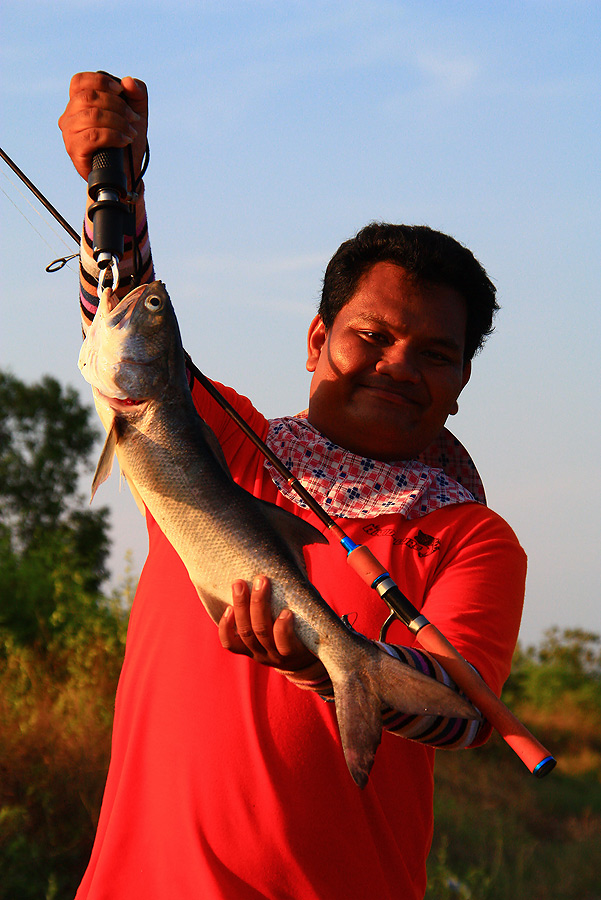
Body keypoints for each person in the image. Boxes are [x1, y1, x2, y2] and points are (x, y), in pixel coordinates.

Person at [59, 73, 526, 900]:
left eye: (434, 354)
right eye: (371, 335)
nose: (397, 367)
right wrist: (111, 178)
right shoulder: (226, 440)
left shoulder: (470, 537)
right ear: (317, 339)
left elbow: (459, 710)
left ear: (459, 384)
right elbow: (128, 322)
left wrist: (323, 662)